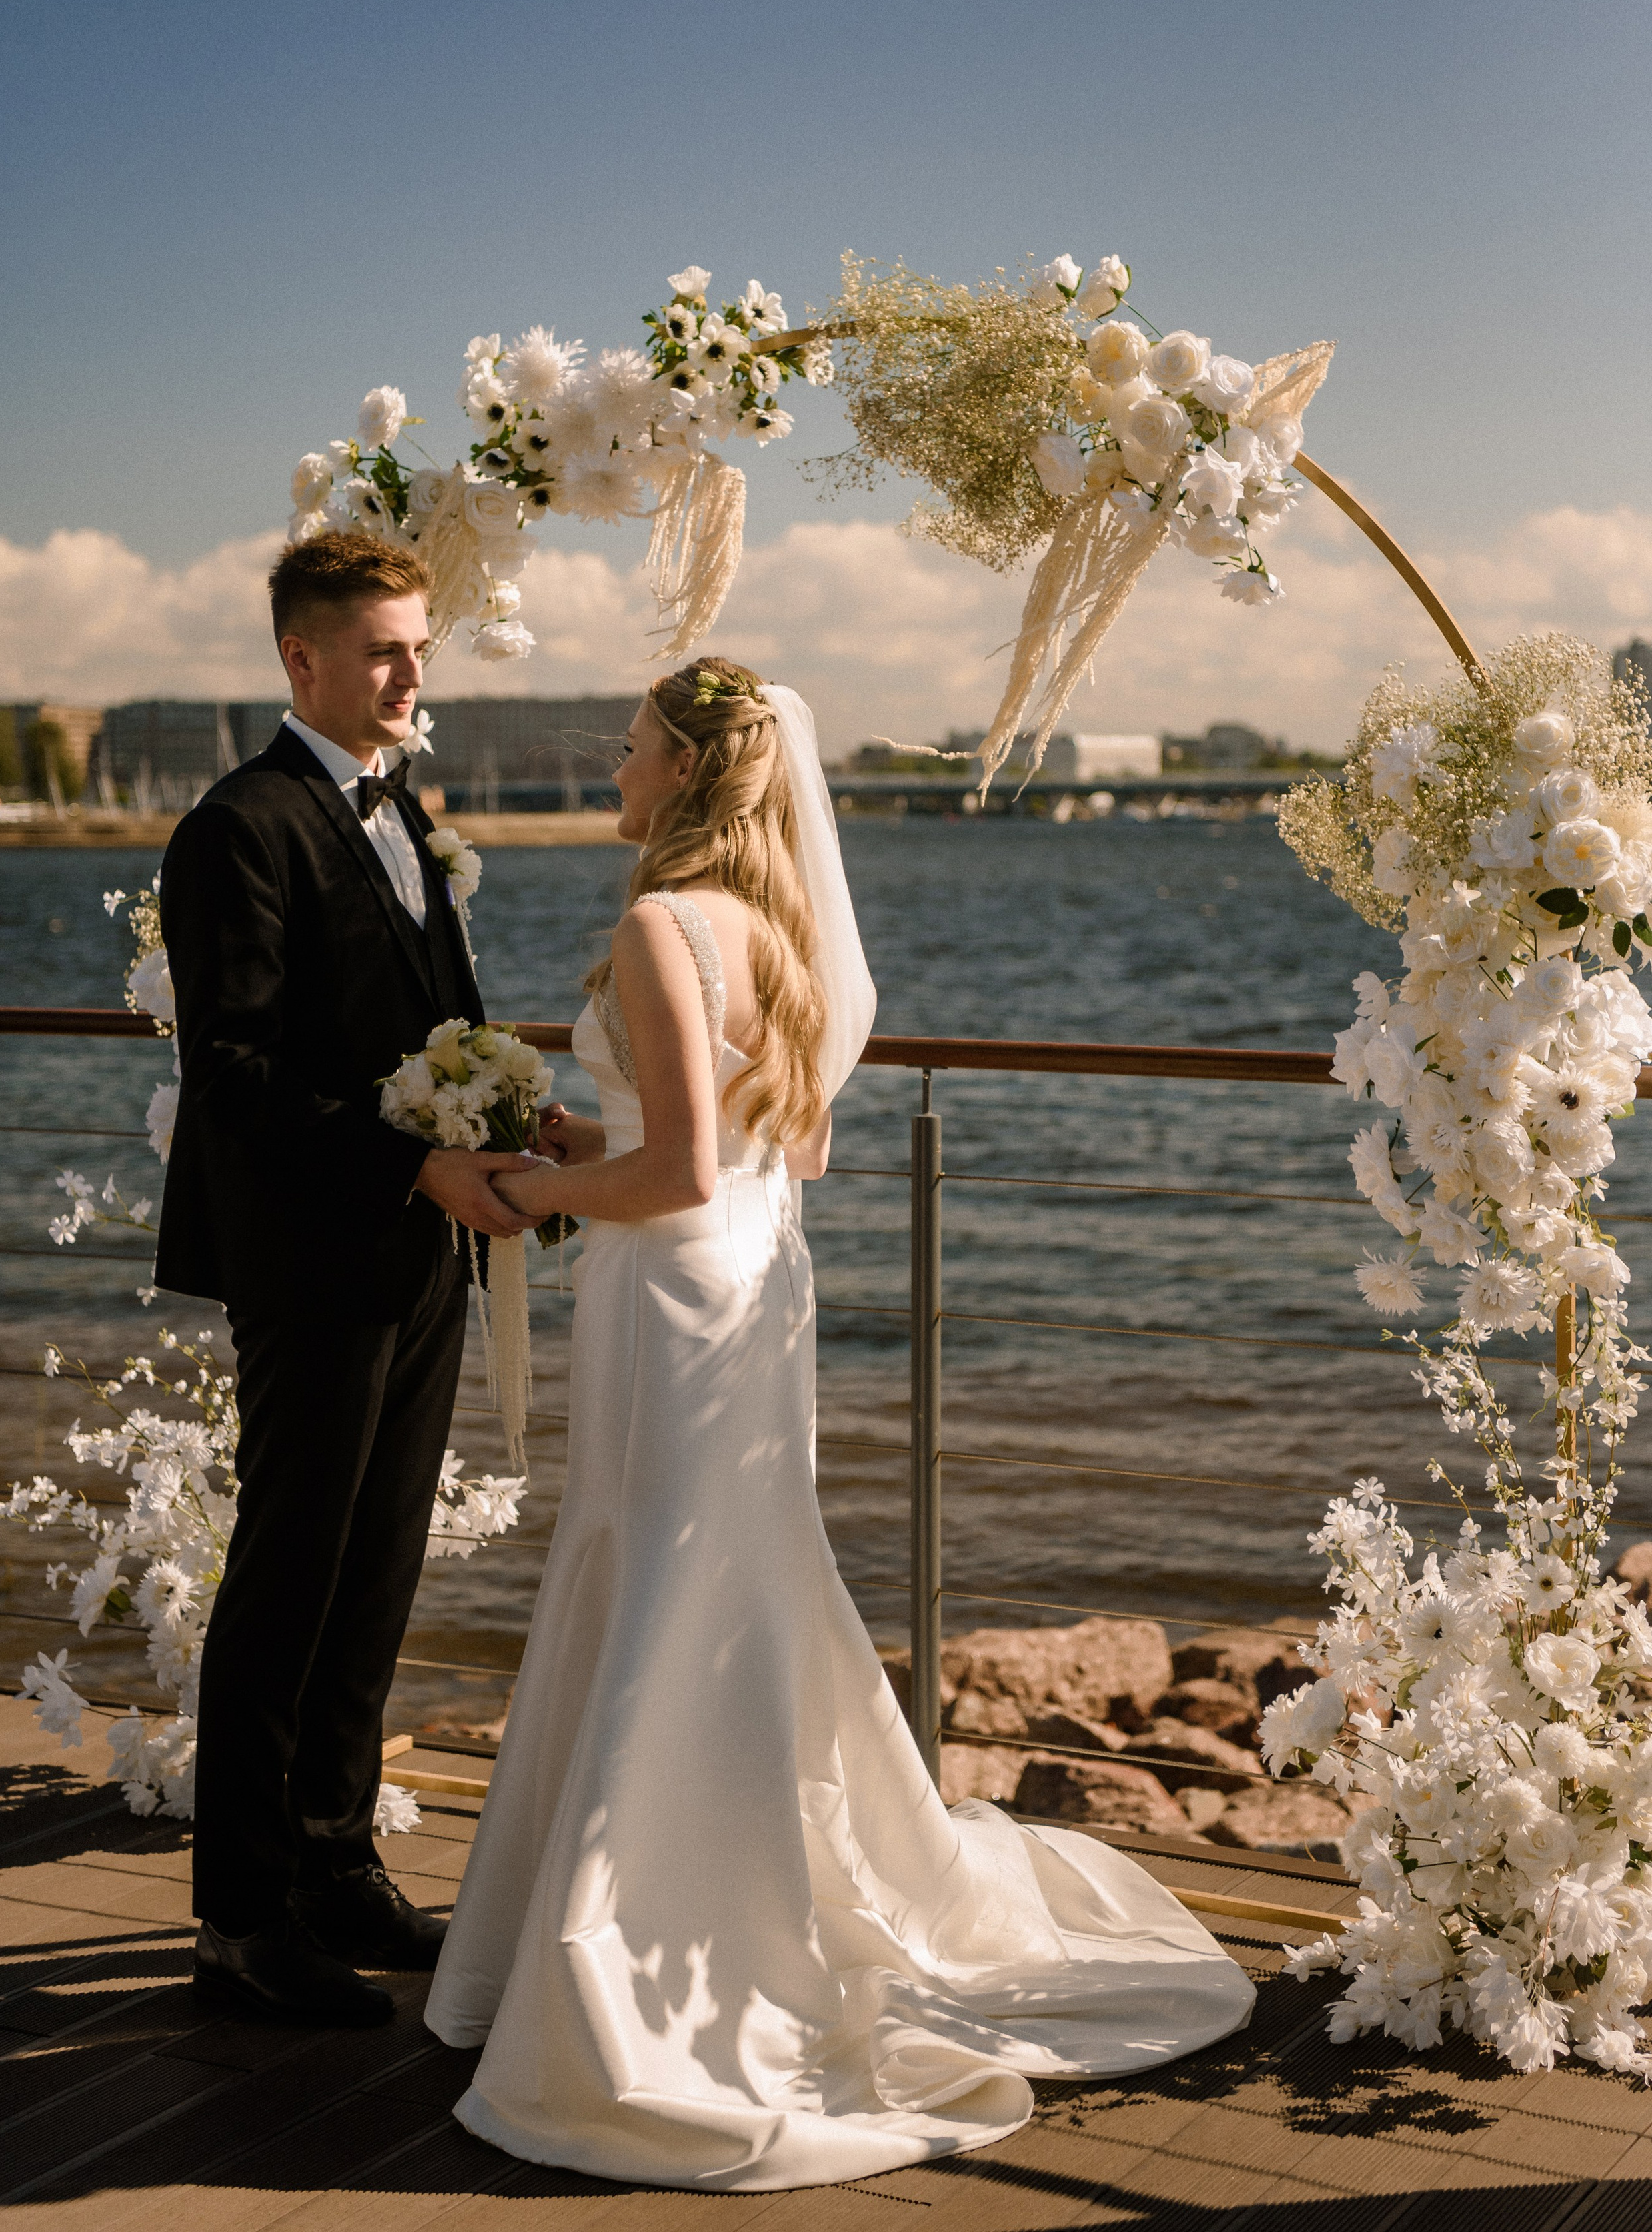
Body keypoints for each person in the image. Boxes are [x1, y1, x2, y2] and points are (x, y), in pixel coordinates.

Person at [424, 656, 1255, 2190]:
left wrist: (521, 1188)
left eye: (628, 749)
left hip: (672, 1299)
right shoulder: (780, 932)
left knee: (666, 1580)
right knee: (714, 1578)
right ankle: (674, 1890)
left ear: (680, 771)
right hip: (748, 1296)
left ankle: (649, 1936)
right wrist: (576, 1137)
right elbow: (751, 1149)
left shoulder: (663, 924)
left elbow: (672, 1175)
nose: (612, 767)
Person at [157, 529, 532, 2027]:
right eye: (383, 649)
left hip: (420, 1249)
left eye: (419, 647)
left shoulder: (407, 811)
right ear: (299, 659)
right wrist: (407, 1165)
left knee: (376, 1571)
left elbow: (429, 1017)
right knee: (288, 1577)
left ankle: (333, 1858)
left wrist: (504, 1125)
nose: (410, 673)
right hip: (311, 1258)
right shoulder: (236, 829)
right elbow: (234, 1073)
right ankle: (240, 1920)